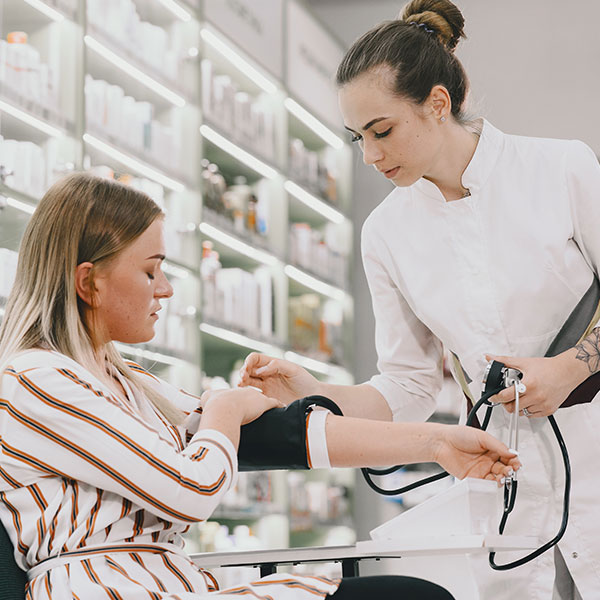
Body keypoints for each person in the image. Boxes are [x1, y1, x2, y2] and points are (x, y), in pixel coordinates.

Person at [0, 172, 520, 600]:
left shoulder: (125, 382)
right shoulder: (34, 381)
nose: (166, 288)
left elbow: (278, 435)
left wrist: (435, 442)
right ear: (88, 281)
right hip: (106, 591)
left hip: (169, 587)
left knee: (410, 595)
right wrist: (225, 408)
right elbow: (189, 490)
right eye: (151, 271)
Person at [239, 1, 600, 598]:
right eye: (358, 137)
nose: (370, 156)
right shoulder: (386, 233)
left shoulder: (560, 168)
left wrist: (567, 369)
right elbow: (406, 389)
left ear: (437, 103)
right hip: (505, 486)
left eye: (382, 131)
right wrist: (310, 391)